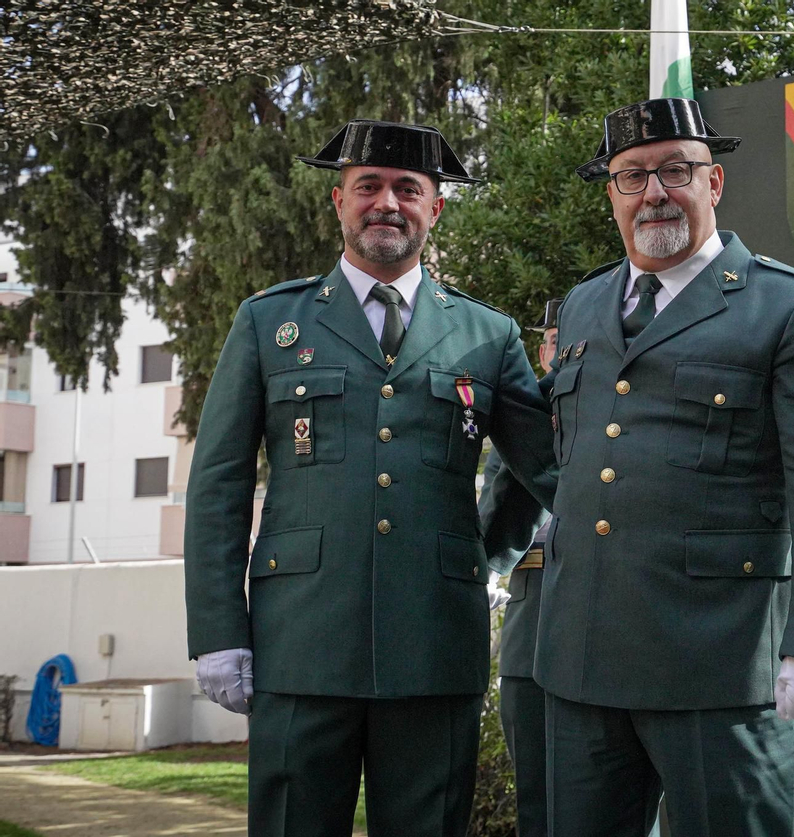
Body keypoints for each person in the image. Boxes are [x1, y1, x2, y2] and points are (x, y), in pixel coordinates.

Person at [184, 119, 553, 837]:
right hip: (301, 645)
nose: (388, 202)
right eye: (370, 187)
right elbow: (218, 487)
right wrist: (218, 630)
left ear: (435, 208)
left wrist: (484, 557)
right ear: (339, 202)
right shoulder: (269, 323)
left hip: (435, 646)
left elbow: (544, 469)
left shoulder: (489, 335)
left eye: (408, 189)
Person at [524, 97, 794, 836]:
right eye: (632, 176)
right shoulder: (586, 305)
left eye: (675, 170)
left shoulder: (789, 308)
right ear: (612, 192)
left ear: (713, 183)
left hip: (720, 666)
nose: (654, 191)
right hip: (581, 663)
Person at [483, 294, 564, 836]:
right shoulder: (520, 418)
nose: (569, 356)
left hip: (615, 629)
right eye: (560, 344)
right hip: (533, 630)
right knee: (539, 801)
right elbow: (499, 519)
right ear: (542, 352)